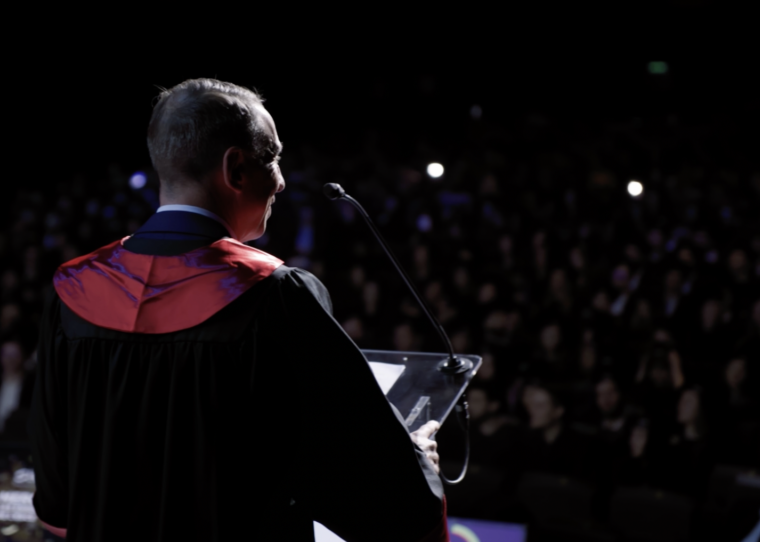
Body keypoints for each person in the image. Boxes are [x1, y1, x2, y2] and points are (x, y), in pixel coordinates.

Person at [28, 79, 448, 541]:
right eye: (273, 158)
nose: (282, 181)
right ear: (236, 169)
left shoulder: (74, 290)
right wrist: (415, 465)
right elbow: (366, 483)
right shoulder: (273, 296)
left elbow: (58, 490)